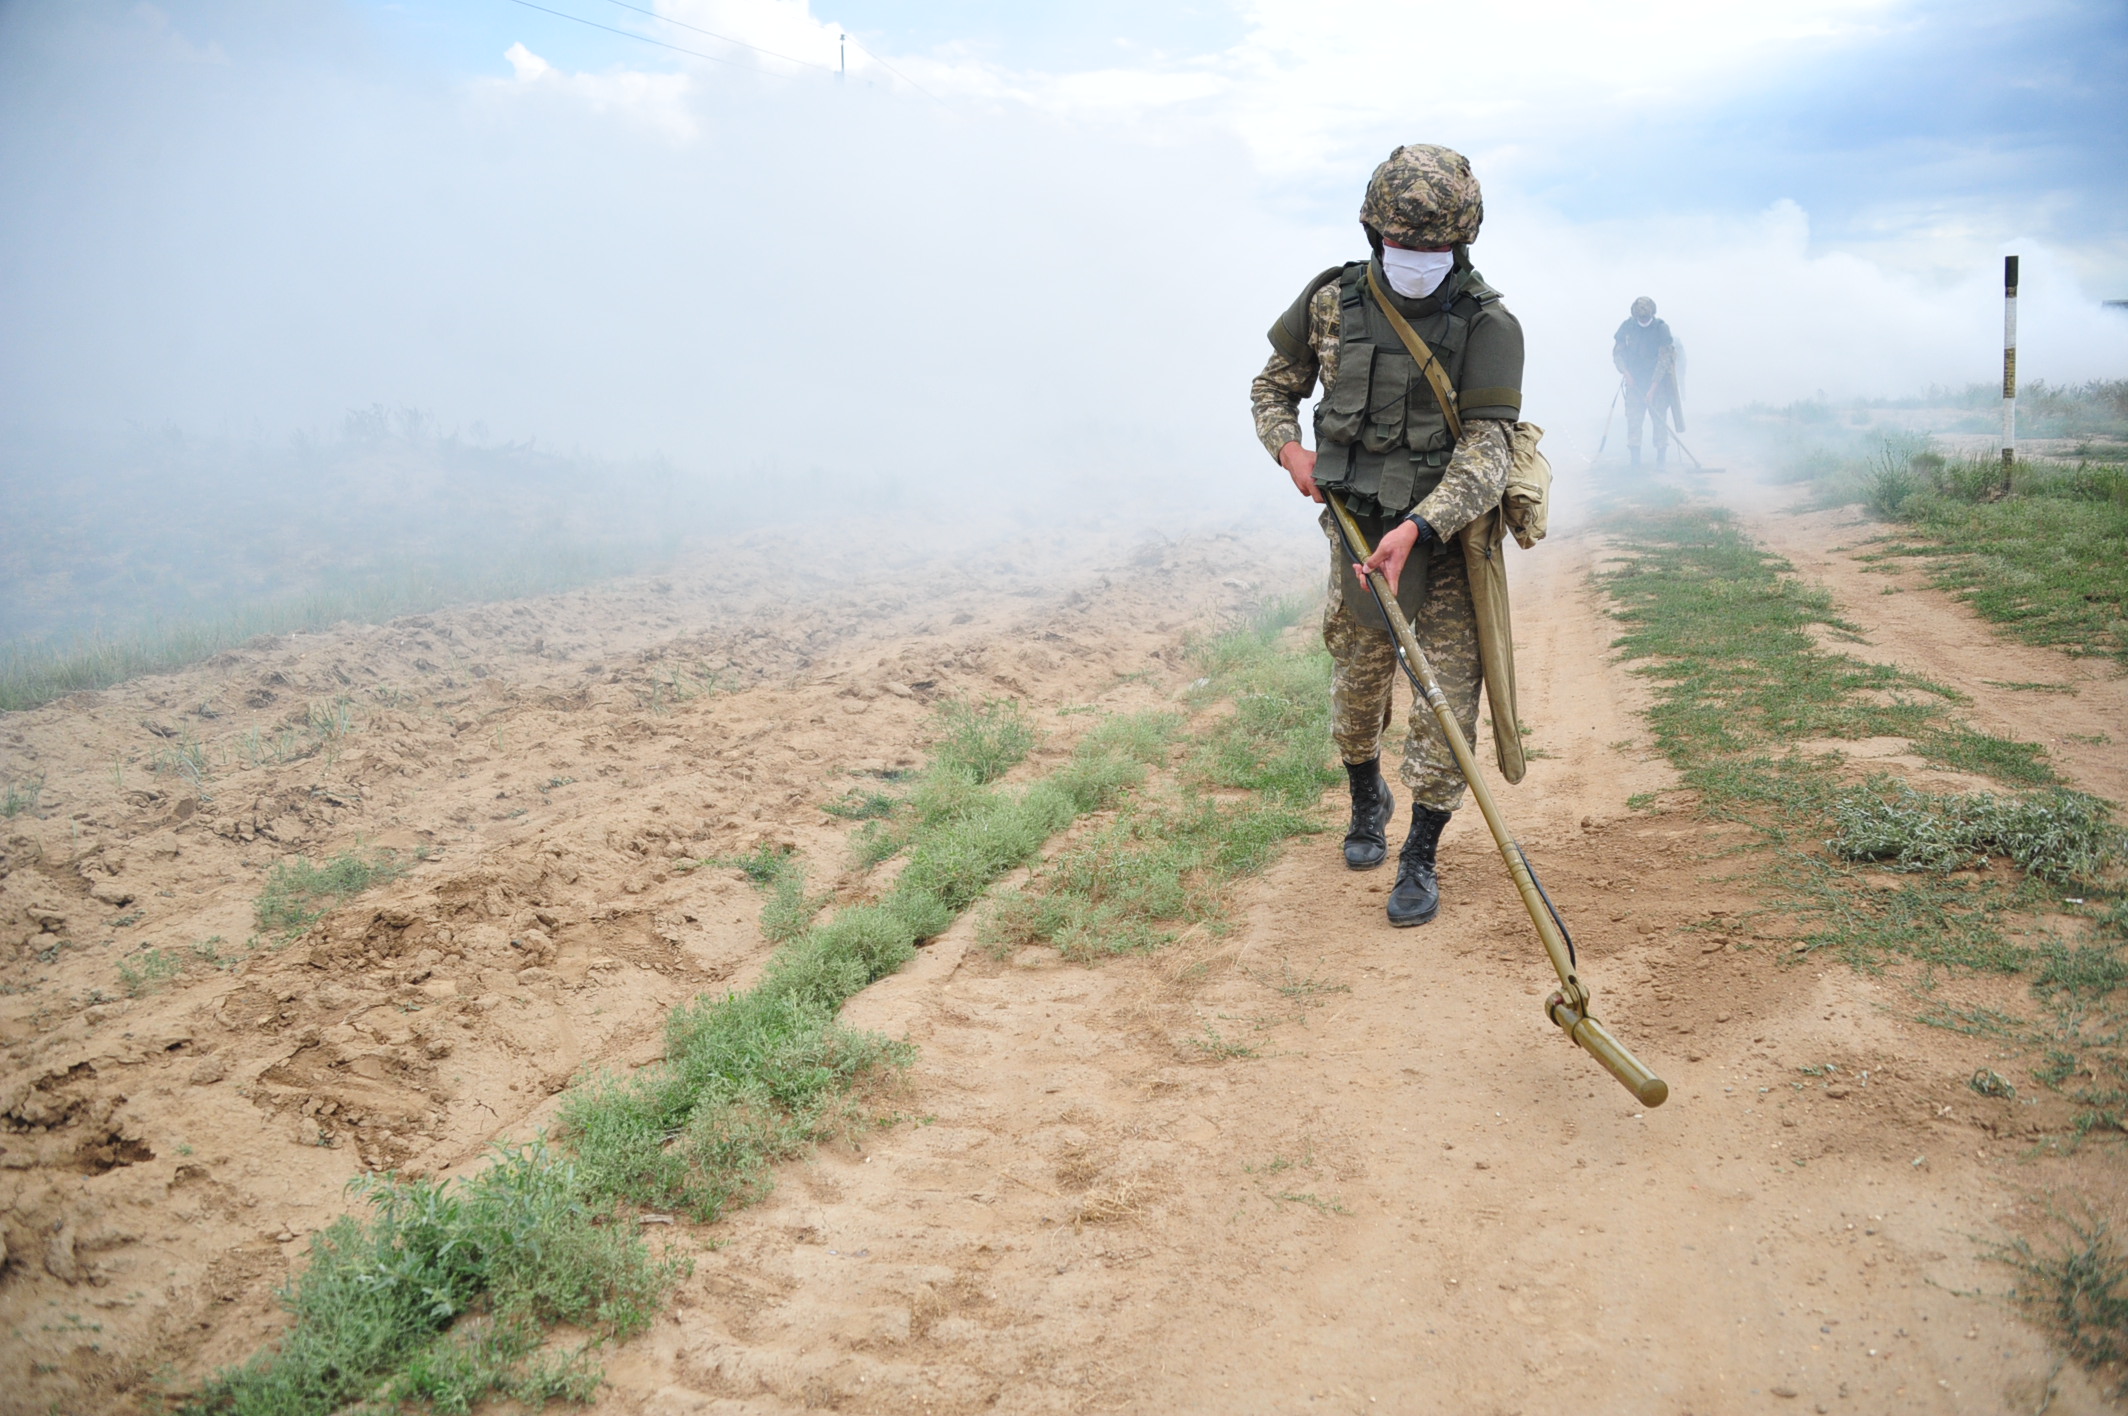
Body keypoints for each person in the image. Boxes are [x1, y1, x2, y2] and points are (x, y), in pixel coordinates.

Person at [1248, 143, 1524, 928]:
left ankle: (1421, 852)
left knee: (1445, 703)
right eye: (1401, 245)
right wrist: (1288, 447)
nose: (1415, 260)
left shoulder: (1489, 324)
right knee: (1359, 681)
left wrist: (1421, 524)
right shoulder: (1332, 301)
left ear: (1461, 242)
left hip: (1445, 542)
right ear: (1374, 234)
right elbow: (1274, 384)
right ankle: (1365, 793)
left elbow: (1489, 447)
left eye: (1433, 248)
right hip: (1354, 528)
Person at [1613, 296, 1682, 466]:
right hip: (1634, 382)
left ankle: (1661, 460)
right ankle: (1635, 461)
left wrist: (1652, 388)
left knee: (1659, 420)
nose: (1643, 320)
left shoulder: (1661, 329)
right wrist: (1626, 373)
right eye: (1640, 318)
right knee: (1634, 420)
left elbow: (1665, 360)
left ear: (1652, 313)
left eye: (1646, 317)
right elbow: (1617, 354)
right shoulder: (1627, 328)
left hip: (1658, 383)